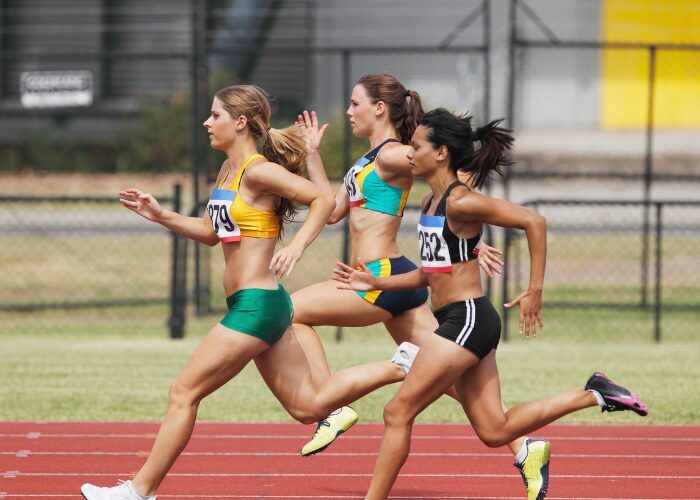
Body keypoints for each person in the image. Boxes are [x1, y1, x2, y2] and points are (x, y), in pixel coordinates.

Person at [79, 84, 419, 500]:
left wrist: (295, 246)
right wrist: (160, 214)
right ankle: (401, 364)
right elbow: (209, 232)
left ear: (239, 123)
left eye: (215, 115)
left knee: (183, 392)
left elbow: (319, 199)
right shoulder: (228, 172)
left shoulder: (259, 170)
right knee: (308, 408)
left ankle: (139, 491)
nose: (207, 122)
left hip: (257, 305)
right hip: (258, 305)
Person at [333, 108, 649, 500]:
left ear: (442, 152)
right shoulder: (431, 203)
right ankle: (596, 393)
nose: (409, 153)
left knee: (397, 412)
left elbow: (534, 222)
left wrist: (534, 290)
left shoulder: (461, 202)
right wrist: (377, 281)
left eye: (416, 146)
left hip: (466, 319)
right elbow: (432, 274)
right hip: (460, 319)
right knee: (494, 431)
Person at [291, 74, 551, 497]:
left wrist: (471, 240)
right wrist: (313, 156)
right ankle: (525, 448)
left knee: (291, 311)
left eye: (355, 103)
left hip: (382, 275)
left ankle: (333, 407)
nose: (348, 111)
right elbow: (334, 210)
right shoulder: (370, 157)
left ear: (379, 108)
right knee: (445, 379)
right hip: (397, 277)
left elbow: (452, 176)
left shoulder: (394, 154)